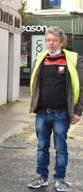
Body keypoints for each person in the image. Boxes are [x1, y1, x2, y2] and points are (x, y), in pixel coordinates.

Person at [27, 26, 82, 192]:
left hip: (62, 113)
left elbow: (81, 86)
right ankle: (42, 177)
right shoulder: (40, 58)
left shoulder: (72, 60)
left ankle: (60, 179)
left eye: (54, 40)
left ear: (61, 42)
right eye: (48, 40)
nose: (50, 43)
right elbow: (35, 84)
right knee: (42, 146)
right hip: (42, 113)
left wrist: (78, 111)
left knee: (61, 148)